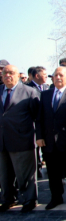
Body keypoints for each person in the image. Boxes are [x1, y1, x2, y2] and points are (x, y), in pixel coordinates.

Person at [36, 67, 66, 210]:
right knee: (53, 173)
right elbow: (40, 118)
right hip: (49, 142)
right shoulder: (45, 95)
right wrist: (39, 137)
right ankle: (56, 197)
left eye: (61, 75)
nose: (58, 77)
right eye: (55, 75)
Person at [0, 65, 40, 212]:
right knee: (4, 174)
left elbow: (37, 116)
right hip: (2, 141)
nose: (7, 76)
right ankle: (7, 199)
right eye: (5, 73)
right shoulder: (0, 90)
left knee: (25, 175)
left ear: (17, 75)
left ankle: (29, 200)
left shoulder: (29, 92)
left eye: (11, 73)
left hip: (22, 140)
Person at [26, 66, 50, 178]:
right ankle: (36, 169)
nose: (46, 76)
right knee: (34, 150)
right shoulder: (27, 89)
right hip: (33, 125)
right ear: (37, 76)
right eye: (44, 74)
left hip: (46, 125)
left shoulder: (47, 88)